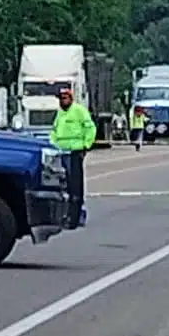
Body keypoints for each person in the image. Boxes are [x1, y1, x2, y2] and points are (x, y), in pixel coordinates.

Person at [50, 85, 97, 229]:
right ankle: (66, 215)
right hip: (60, 153)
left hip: (75, 152)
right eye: (61, 99)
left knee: (75, 186)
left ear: (71, 98)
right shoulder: (60, 114)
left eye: (65, 98)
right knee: (62, 185)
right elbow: (54, 131)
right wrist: (51, 144)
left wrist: (86, 145)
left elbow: (90, 128)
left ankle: (77, 216)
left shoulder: (79, 111)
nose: (62, 101)